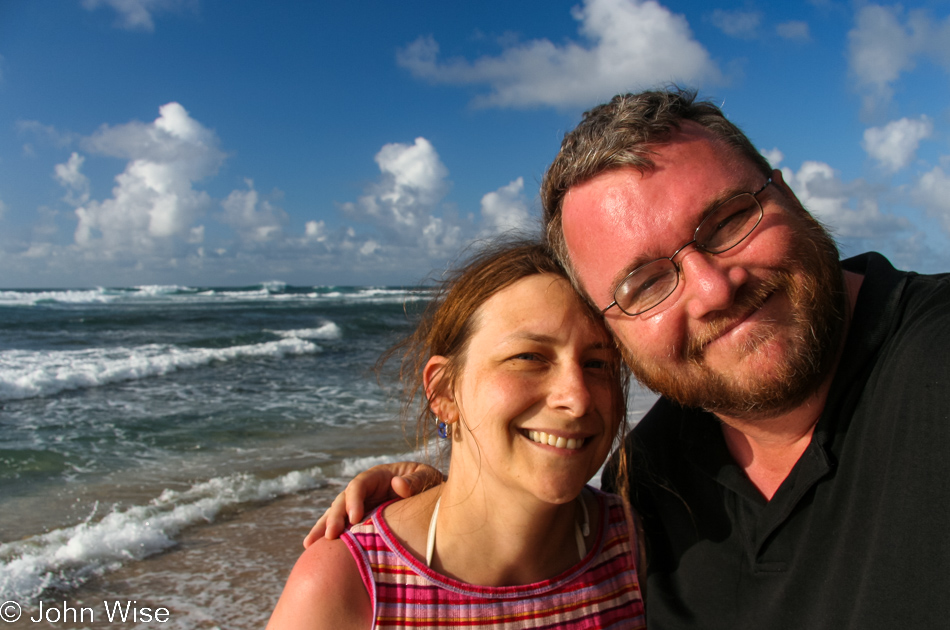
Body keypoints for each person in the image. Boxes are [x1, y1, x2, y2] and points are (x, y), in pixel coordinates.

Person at [309, 88, 950, 629]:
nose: (711, 288)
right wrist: (452, 490)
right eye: (644, 284)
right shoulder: (649, 481)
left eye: (729, 220)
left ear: (787, 194)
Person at [268, 241, 646, 629]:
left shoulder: (632, 545)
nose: (577, 397)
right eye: (529, 357)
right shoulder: (351, 584)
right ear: (445, 391)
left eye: (598, 363)